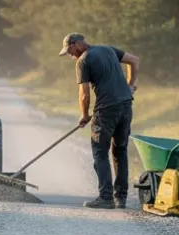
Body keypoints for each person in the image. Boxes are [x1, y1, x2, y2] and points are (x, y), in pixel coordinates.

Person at [58, 32, 140, 209]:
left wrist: (84, 115)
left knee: (100, 152)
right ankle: (121, 197)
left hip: (106, 110)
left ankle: (105, 198)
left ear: (77, 44)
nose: (71, 55)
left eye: (70, 50)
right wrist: (130, 85)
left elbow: (84, 93)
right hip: (126, 105)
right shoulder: (108, 49)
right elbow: (134, 60)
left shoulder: (83, 61)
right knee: (120, 151)